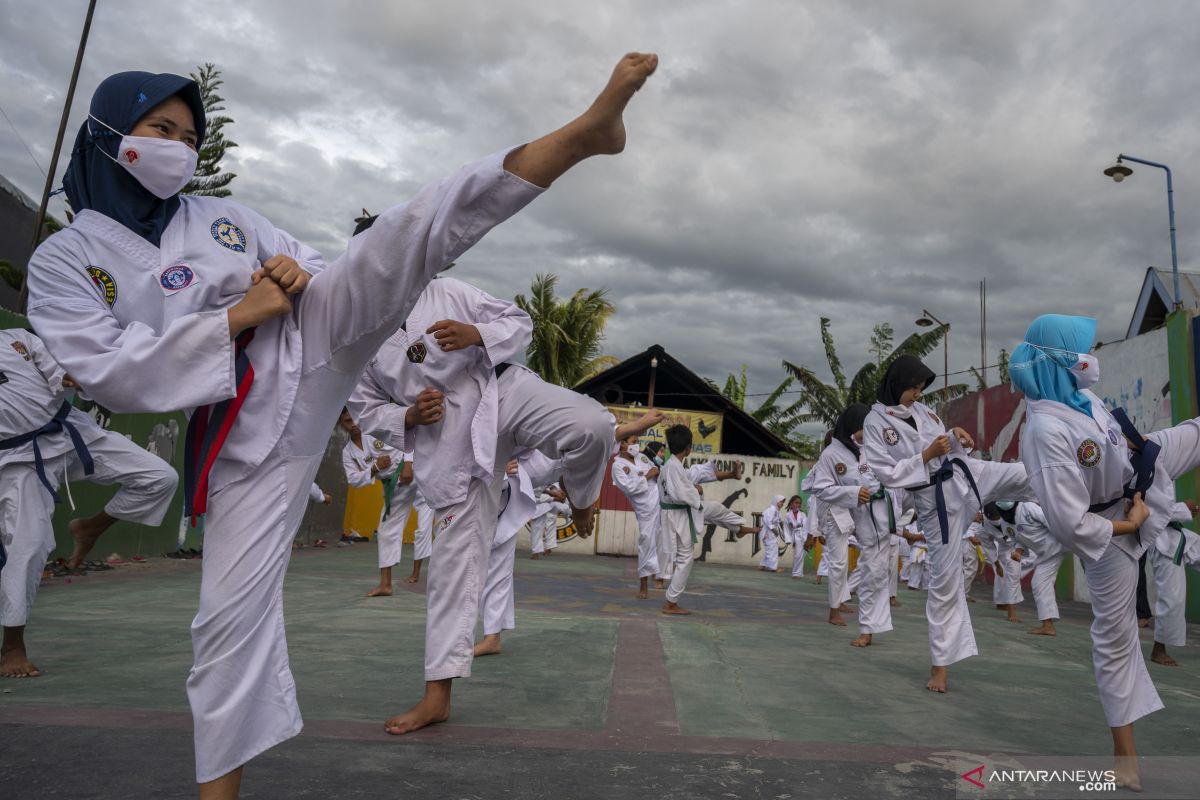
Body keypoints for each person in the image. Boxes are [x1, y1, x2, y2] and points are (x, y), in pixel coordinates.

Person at [25, 53, 659, 797]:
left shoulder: (221, 218)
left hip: (318, 343)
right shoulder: (66, 259)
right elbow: (105, 367)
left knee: (409, 234)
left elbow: (309, 264)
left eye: (191, 137)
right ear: (108, 134)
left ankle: (580, 136)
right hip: (251, 432)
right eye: (161, 128)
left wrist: (292, 275)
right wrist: (238, 315)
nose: (180, 147)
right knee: (227, 622)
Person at [1011, 313, 1200, 791]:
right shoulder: (1044, 432)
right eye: (1082, 348)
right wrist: (1128, 524)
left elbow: (1120, 444)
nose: (1090, 356)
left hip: (1142, 471)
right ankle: (1125, 754)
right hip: (1110, 532)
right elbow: (1068, 523)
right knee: (1116, 640)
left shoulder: (1078, 395)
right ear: (1059, 360)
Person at [1, 328, 178, 678]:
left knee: (160, 478)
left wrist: (68, 376)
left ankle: (90, 528)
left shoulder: (14, 337)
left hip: (69, 430)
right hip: (18, 461)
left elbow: (52, 364)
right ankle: (12, 646)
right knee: (29, 546)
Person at [863, 355, 1031, 694]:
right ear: (896, 385)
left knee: (1028, 474)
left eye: (921, 388)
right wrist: (924, 456)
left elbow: (945, 444)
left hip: (965, 475)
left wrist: (956, 437)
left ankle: (1104, 488)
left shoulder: (925, 412)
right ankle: (940, 666)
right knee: (944, 583)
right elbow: (887, 473)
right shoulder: (874, 422)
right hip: (932, 501)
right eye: (912, 388)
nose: (917, 394)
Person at [808, 403, 905, 647]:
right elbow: (818, 487)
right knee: (870, 573)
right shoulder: (832, 455)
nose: (867, 432)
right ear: (852, 426)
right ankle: (866, 629)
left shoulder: (873, 446)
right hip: (865, 524)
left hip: (888, 519)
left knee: (880, 575)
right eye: (864, 428)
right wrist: (851, 493)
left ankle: (870, 625)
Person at [659, 425, 752, 615]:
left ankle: (737, 527)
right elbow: (680, 494)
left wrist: (727, 476)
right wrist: (697, 491)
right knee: (685, 559)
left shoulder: (674, 466)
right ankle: (670, 602)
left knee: (715, 507)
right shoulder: (673, 468)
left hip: (680, 513)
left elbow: (694, 476)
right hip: (679, 515)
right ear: (688, 447)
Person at [338, 409, 402, 596]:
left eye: (354, 418)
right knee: (385, 530)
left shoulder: (375, 430)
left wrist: (408, 464)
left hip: (413, 473)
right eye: (347, 421)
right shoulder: (347, 452)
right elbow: (354, 480)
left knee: (444, 514)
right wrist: (374, 468)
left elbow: (405, 439)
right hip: (393, 487)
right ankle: (386, 584)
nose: (352, 423)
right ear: (341, 424)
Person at [611, 432, 661, 598]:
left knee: (664, 539)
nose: (637, 445)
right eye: (634, 442)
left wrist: (652, 473)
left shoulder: (641, 457)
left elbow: (655, 470)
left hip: (660, 498)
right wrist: (648, 475)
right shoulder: (617, 466)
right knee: (646, 542)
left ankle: (660, 576)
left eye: (638, 442)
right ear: (623, 444)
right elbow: (629, 488)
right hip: (645, 509)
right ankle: (643, 585)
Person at [979, 504, 1028, 623]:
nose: (996, 521)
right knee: (1001, 575)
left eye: (997, 517)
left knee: (1013, 576)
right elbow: (988, 547)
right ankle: (1001, 603)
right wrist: (996, 565)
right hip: (1003, 547)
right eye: (992, 519)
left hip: (1018, 544)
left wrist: (1018, 551)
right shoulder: (984, 526)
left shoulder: (1010, 513)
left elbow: (1023, 534)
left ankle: (1012, 611)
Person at [783, 495, 809, 577]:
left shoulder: (803, 514)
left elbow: (806, 527)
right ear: (791, 504)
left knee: (800, 555)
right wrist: (788, 539)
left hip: (803, 535)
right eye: (796, 503)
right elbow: (786, 528)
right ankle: (797, 573)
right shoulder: (788, 515)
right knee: (798, 555)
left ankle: (797, 573)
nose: (798, 505)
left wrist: (806, 539)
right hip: (795, 536)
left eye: (799, 503)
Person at [758, 495, 785, 572]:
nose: (782, 503)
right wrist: (774, 530)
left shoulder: (776, 511)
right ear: (776, 501)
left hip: (771, 533)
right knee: (772, 549)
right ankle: (773, 567)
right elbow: (768, 521)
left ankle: (763, 565)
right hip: (769, 533)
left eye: (783, 502)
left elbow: (778, 521)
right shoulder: (771, 510)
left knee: (770, 549)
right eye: (781, 501)